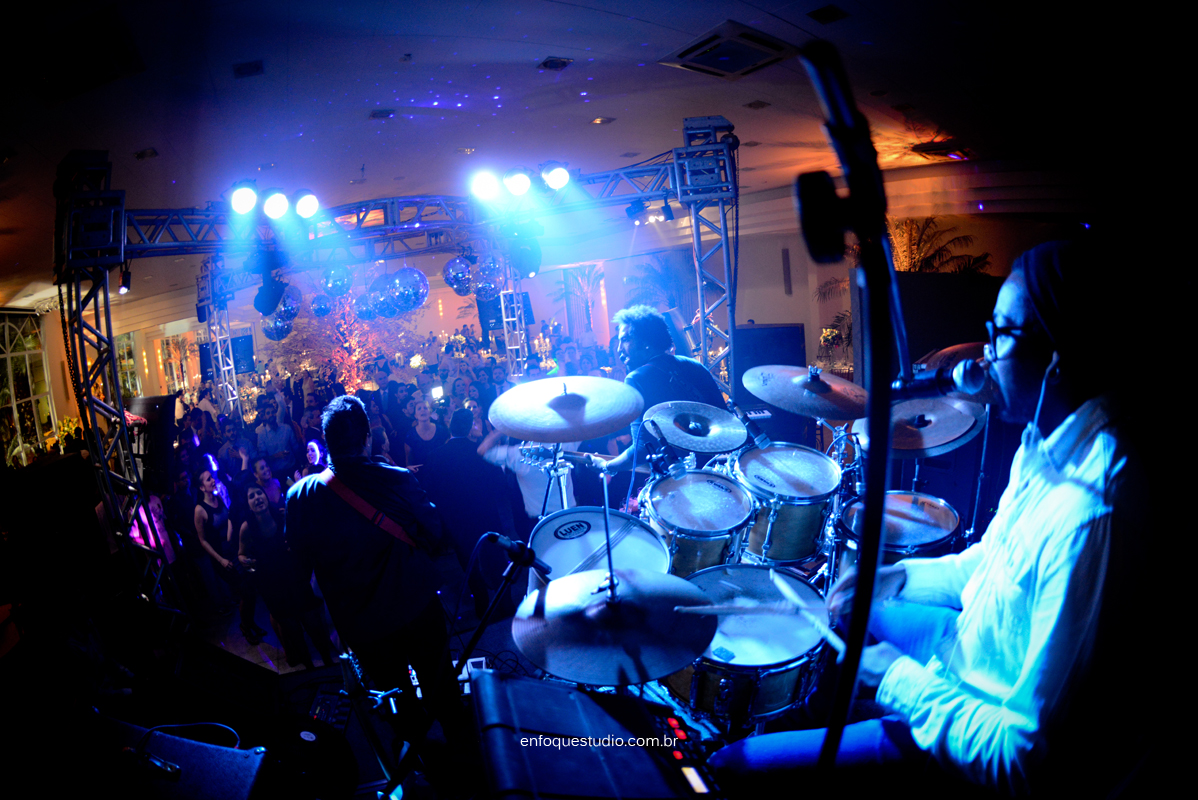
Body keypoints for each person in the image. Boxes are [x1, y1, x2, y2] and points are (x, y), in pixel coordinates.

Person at [709, 239, 1154, 797]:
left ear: (1058, 360)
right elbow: (989, 566)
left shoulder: (1093, 512)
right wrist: (891, 578)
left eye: (1002, 334)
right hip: (968, 645)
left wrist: (891, 675)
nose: (982, 355)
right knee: (833, 625)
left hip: (981, 735)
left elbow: (1025, 760)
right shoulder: (1045, 442)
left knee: (733, 767)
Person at [285, 396, 471, 770]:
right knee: (441, 689)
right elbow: (436, 535)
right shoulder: (399, 480)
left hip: (363, 627)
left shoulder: (300, 498)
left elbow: (298, 571)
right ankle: (471, 762)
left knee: (394, 698)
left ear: (325, 441)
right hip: (417, 608)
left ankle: (430, 768)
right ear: (368, 437)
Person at [600, 304, 726, 474]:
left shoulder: (636, 379)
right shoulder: (696, 366)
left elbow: (642, 448)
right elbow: (727, 421)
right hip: (718, 471)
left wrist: (608, 466)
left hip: (680, 482)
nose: (618, 348)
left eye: (625, 340)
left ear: (645, 342)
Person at [239, 483, 334, 670]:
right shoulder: (247, 527)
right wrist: (248, 563)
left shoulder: (282, 515)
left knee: (315, 628)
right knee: (294, 635)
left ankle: (330, 666)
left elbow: (301, 540)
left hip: (296, 580)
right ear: (248, 504)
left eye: (259, 493)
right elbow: (240, 553)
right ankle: (310, 671)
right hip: (273, 588)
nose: (257, 498)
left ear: (266, 497)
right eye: (252, 496)